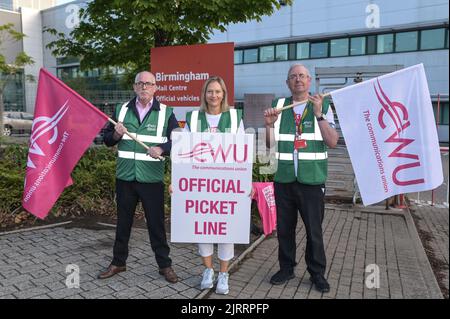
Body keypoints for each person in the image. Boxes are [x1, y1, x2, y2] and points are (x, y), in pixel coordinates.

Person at [98, 71, 179, 283]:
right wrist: (116, 134)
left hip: (151, 179)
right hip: (125, 177)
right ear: (134, 87)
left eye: (148, 84)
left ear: (155, 87)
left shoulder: (166, 112)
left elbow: (177, 141)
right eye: (140, 83)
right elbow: (106, 140)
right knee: (123, 223)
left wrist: (162, 148)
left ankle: (165, 265)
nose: (144, 87)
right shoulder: (121, 110)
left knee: (156, 224)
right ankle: (118, 262)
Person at [263, 64, 339, 293]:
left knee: (313, 230)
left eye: (302, 76)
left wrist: (319, 115)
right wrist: (268, 126)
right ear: (287, 83)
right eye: (293, 76)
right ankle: (286, 268)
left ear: (309, 81)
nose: (298, 79)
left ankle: (317, 273)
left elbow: (333, 141)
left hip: (312, 181)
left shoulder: (322, 104)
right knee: (285, 229)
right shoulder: (279, 106)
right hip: (284, 179)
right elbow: (269, 145)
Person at [183, 76, 244, 295]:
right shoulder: (194, 117)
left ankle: (224, 273)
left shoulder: (235, 117)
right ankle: (208, 270)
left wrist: (245, 183)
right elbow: (183, 153)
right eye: (210, 91)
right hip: (200, 184)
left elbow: (242, 153)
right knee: (204, 230)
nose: (214, 95)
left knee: (226, 230)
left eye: (218, 91)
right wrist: (178, 183)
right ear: (204, 94)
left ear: (224, 94)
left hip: (226, 184)